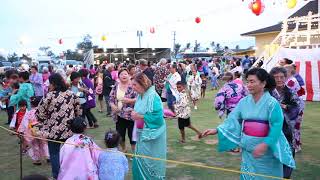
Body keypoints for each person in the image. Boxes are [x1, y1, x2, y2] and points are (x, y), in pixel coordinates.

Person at [201, 68, 295, 179]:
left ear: (263, 83)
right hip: (248, 153)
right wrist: (217, 130)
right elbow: (233, 119)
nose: (248, 85)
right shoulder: (244, 102)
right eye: (247, 81)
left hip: (267, 154)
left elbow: (276, 126)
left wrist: (265, 144)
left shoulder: (272, 103)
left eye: (252, 81)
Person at [36, 73, 82, 179]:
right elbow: (78, 110)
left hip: (53, 131)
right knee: (70, 154)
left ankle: (57, 176)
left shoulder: (49, 96)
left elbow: (40, 113)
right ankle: (71, 174)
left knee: (54, 154)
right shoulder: (71, 94)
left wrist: (46, 120)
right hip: (70, 130)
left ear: (52, 83)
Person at [130, 73, 166, 180]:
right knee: (140, 157)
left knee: (150, 160)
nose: (133, 87)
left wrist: (139, 116)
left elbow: (157, 118)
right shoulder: (141, 95)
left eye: (135, 85)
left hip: (151, 135)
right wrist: (134, 114)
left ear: (143, 84)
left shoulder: (152, 97)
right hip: (141, 133)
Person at [270, 67, 300, 179]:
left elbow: (296, 108)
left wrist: (285, 107)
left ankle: (286, 176)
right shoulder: (267, 93)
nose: (279, 79)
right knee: (271, 154)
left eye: (281, 77)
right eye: (276, 77)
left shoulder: (290, 92)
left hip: (286, 129)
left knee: (287, 152)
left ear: (285, 77)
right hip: (270, 128)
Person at [109, 69, 137, 152]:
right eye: (122, 74)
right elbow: (111, 98)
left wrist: (130, 101)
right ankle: (124, 149)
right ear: (119, 76)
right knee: (120, 135)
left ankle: (134, 153)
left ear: (129, 75)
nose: (124, 76)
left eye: (125, 74)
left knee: (132, 136)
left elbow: (140, 98)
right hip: (119, 115)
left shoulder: (133, 85)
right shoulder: (116, 86)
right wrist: (113, 105)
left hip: (131, 115)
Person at [18, 97, 49, 165]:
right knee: (44, 143)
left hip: (33, 129)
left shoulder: (29, 113)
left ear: (31, 104)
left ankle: (37, 160)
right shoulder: (43, 111)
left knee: (35, 145)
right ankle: (48, 157)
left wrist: (22, 131)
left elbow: (25, 123)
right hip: (42, 129)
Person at [284, 64, 305, 152]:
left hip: (296, 107)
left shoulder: (291, 81)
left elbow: (286, 95)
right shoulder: (290, 80)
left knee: (294, 126)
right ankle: (296, 144)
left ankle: (296, 145)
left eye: (284, 71)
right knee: (295, 126)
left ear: (289, 72)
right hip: (297, 106)